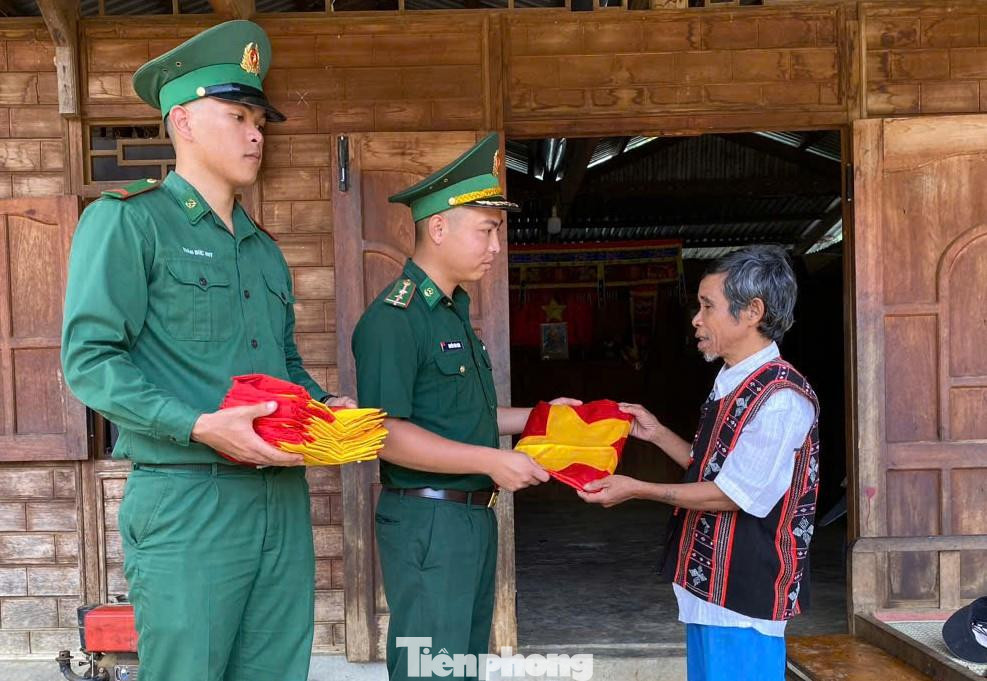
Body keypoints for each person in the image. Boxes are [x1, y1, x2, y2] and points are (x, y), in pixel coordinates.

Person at [60, 21, 353, 681]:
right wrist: (197, 425)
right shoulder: (131, 222)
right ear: (184, 122)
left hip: (280, 498)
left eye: (260, 120)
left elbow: (283, 366)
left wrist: (321, 404)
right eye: (238, 115)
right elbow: (89, 360)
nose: (256, 133)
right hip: (189, 498)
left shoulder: (263, 249)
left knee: (275, 670)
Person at [352, 133, 578, 681]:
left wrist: (542, 416)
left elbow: (467, 418)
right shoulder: (395, 319)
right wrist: (492, 462)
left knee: (460, 667)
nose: (495, 247)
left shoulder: (452, 313)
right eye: (486, 230)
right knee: (433, 669)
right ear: (438, 228)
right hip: (429, 519)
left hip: (468, 517)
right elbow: (386, 434)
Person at [579, 245, 819, 681]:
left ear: (752, 312)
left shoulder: (781, 400)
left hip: (745, 595)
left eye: (708, 306)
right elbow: (715, 464)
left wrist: (638, 488)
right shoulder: (733, 380)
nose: (696, 318)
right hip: (710, 589)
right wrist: (656, 434)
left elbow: (732, 494)